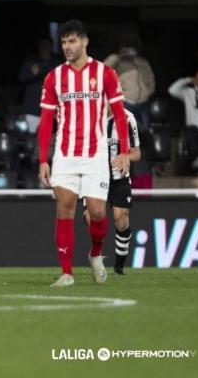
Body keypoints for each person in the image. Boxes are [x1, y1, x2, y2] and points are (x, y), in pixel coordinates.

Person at [37, 20, 131, 287]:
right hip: (65, 154)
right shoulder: (54, 77)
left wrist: (124, 150)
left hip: (96, 154)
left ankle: (96, 252)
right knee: (64, 209)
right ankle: (67, 273)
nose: (67, 46)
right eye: (64, 42)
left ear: (84, 42)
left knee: (98, 213)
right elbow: (46, 123)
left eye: (72, 41)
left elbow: (120, 115)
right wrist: (43, 159)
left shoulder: (105, 73)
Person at [84, 107, 141, 275]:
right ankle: (96, 255)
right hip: (94, 176)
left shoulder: (128, 117)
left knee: (121, 220)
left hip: (119, 177)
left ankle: (118, 268)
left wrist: (126, 157)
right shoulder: (89, 114)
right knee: (92, 218)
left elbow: (137, 153)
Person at [105, 36, 155, 128]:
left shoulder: (143, 61)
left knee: (145, 133)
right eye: (128, 48)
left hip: (144, 103)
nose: (131, 50)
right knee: (126, 133)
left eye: (133, 47)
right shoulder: (118, 61)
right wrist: (118, 56)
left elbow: (151, 78)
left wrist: (148, 92)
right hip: (126, 103)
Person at [168, 69, 198, 170]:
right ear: (195, 80)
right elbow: (172, 90)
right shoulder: (188, 92)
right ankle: (196, 160)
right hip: (193, 129)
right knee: (191, 133)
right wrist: (188, 80)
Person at [18, 38, 61, 133]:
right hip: (33, 108)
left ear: (51, 46)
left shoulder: (57, 62)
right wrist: (32, 74)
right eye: (42, 45)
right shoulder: (31, 61)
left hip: (51, 109)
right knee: (31, 139)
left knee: (50, 139)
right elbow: (21, 78)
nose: (44, 47)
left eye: (46, 45)